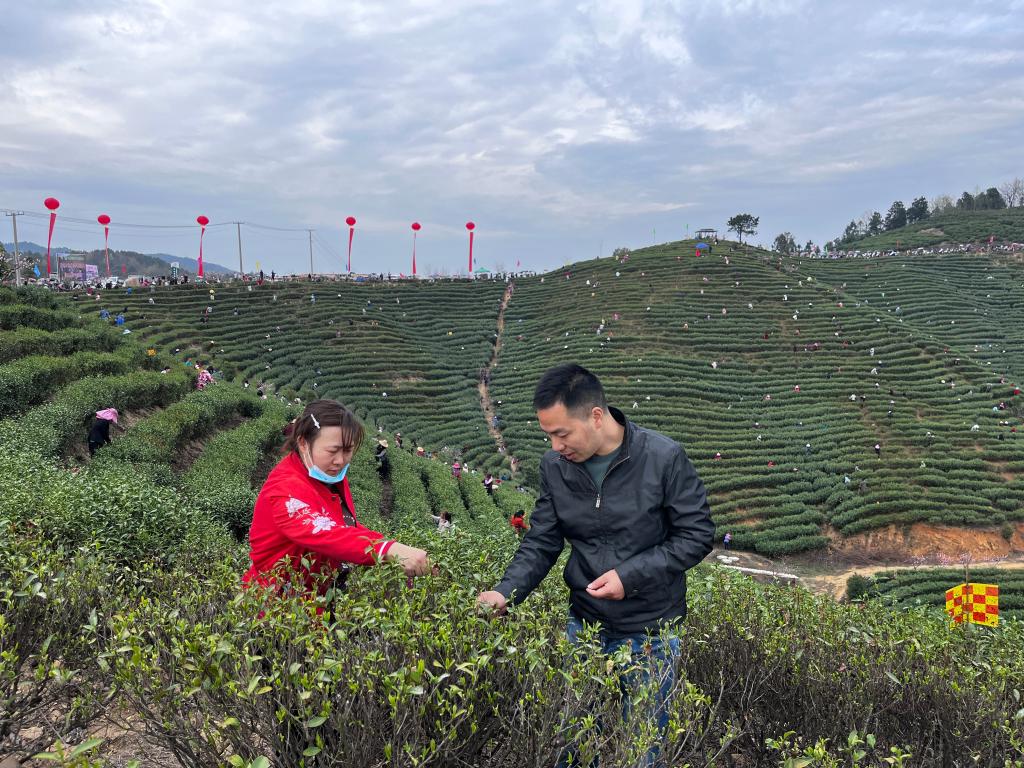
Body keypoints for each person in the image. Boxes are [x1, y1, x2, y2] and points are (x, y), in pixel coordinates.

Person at [476, 363, 714, 766]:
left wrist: (629, 577)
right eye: (548, 435)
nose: (555, 446)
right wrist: (505, 592)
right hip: (585, 625)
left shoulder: (663, 458)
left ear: (596, 416)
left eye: (562, 433)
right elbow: (542, 540)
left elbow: (696, 535)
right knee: (573, 742)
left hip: (651, 630)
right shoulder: (555, 467)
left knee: (642, 749)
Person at [244, 400, 430, 599]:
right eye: (332, 451)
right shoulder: (284, 488)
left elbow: (343, 525)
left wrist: (390, 546)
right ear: (303, 443)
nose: (340, 461)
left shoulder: (329, 477)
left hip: (317, 598)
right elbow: (324, 532)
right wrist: (386, 549)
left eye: (348, 450)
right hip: (276, 605)